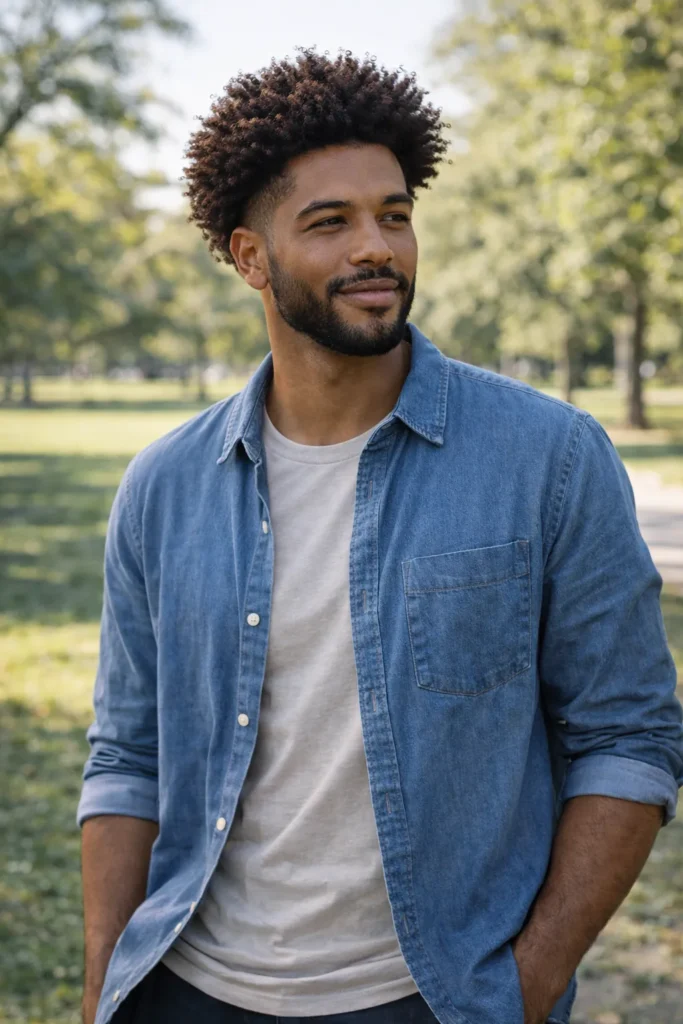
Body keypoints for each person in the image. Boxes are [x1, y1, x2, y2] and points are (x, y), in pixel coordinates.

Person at [78, 50, 683, 1024]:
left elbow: (627, 739)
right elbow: (126, 758)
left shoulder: (548, 457)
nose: (379, 248)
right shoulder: (163, 488)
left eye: (393, 215)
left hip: (432, 997)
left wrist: (519, 991)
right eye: (330, 222)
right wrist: (104, 986)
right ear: (247, 257)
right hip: (187, 987)